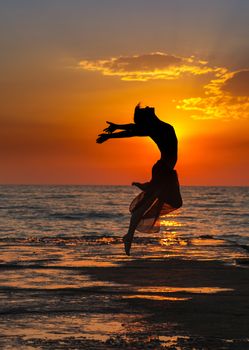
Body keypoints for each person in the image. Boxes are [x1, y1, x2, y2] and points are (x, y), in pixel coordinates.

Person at [96, 104, 182, 255]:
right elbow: (132, 131)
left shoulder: (158, 128)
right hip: (163, 170)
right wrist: (112, 133)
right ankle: (129, 236)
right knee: (146, 204)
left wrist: (116, 128)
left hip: (164, 170)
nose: (139, 126)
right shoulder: (160, 128)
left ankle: (146, 189)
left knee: (158, 201)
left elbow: (133, 129)